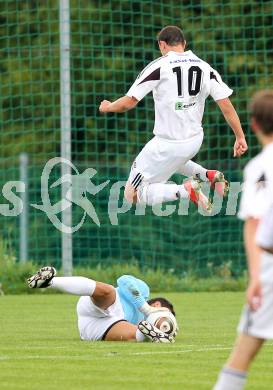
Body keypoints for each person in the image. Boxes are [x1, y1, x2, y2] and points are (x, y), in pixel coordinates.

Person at [99, 25, 247, 211]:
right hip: (194, 141)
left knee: (132, 194)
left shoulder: (159, 66)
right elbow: (226, 105)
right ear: (184, 44)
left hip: (166, 145)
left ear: (162, 45)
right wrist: (240, 137)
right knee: (172, 161)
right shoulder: (204, 67)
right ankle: (207, 175)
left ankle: (185, 190)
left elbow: (129, 102)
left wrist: (108, 107)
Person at [213, 90, 273, 390]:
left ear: (254, 125)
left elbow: (256, 224)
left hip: (270, 272)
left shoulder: (259, 167)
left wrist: (255, 278)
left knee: (241, 356)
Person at [27, 266, 177, 343]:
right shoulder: (143, 291)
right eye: (166, 314)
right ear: (157, 305)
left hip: (94, 328)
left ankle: (156, 338)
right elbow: (123, 280)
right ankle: (49, 282)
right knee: (109, 291)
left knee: (136, 336)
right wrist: (146, 308)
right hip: (103, 304)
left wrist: (163, 331)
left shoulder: (142, 323)